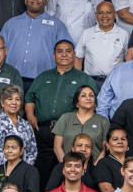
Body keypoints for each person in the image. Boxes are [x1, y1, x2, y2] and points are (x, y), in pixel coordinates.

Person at [26, 41, 97, 174]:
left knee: (69, 168)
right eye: (60, 51)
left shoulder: (84, 79)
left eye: (68, 51)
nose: (64, 54)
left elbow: (92, 104)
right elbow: (30, 97)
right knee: (42, 170)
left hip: (70, 131)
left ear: (74, 55)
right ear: (54, 55)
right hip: (43, 130)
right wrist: (30, 115)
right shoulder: (43, 77)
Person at [0, 0, 72, 85]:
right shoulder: (11, 23)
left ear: (46, 2)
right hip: (12, 79)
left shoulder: (57, 25)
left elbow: (67, 52)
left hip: (44, 80)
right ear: (26, 1)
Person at [0, 85, 37, 168]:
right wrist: (6, 169)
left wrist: (24, 169)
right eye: (10, 99)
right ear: (2, 103)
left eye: (17, 99)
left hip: (23, 172)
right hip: (1, 172)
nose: (14, 103)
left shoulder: (26, 125)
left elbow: (32, 150)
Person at [51, 85, 108, 162]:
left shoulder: (103, 121)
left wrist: (95, 169)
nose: (88, 98)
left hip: (94, 168)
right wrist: (66, 165)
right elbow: (57, 146)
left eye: (91, 95)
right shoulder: (66, 118)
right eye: (83, 95)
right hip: (68, 167)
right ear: (77, 103)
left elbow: (104, 151)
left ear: (95, 102)